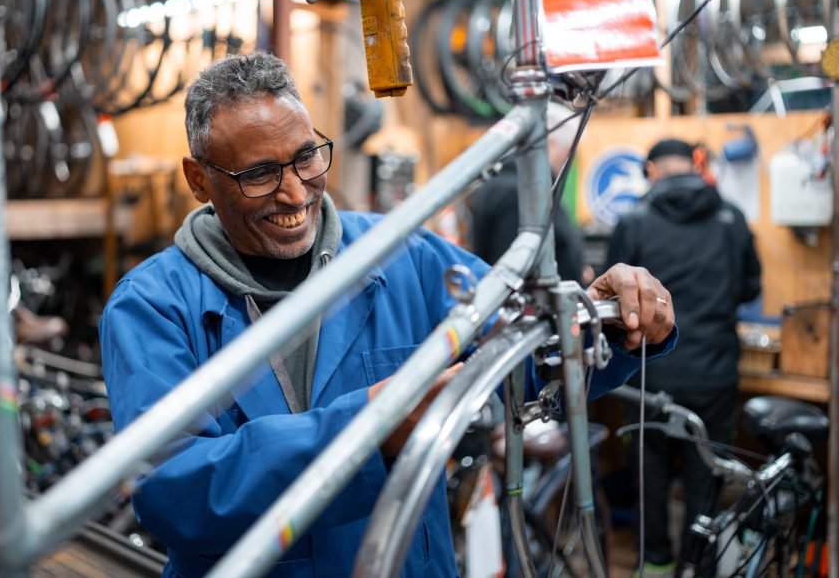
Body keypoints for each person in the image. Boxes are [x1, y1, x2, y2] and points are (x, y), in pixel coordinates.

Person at [101, 53, 677, 578]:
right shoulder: (152, 307)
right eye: (259, 174)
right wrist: (371, 428)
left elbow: (519, 360)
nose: (295, 193)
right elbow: (173, 492)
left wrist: (608, 322)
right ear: (198, 179)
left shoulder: (401, 253)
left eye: (306, 157)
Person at [604, 137, 761, 577]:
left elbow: (616, 302)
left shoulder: (634, 221)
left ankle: (654, 562)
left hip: (648, 373)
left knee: (648, 473)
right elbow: (750, 288)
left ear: (651, 169)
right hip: (714, 370)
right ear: (692, 165)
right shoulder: (732, 218)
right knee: (705, 475)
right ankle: (699, 566)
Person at [468, 101, 586, 283]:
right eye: (569, 152)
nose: (568, 162)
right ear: (549, 144)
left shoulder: (512, 186)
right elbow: (514, 274)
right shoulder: (519, 195)